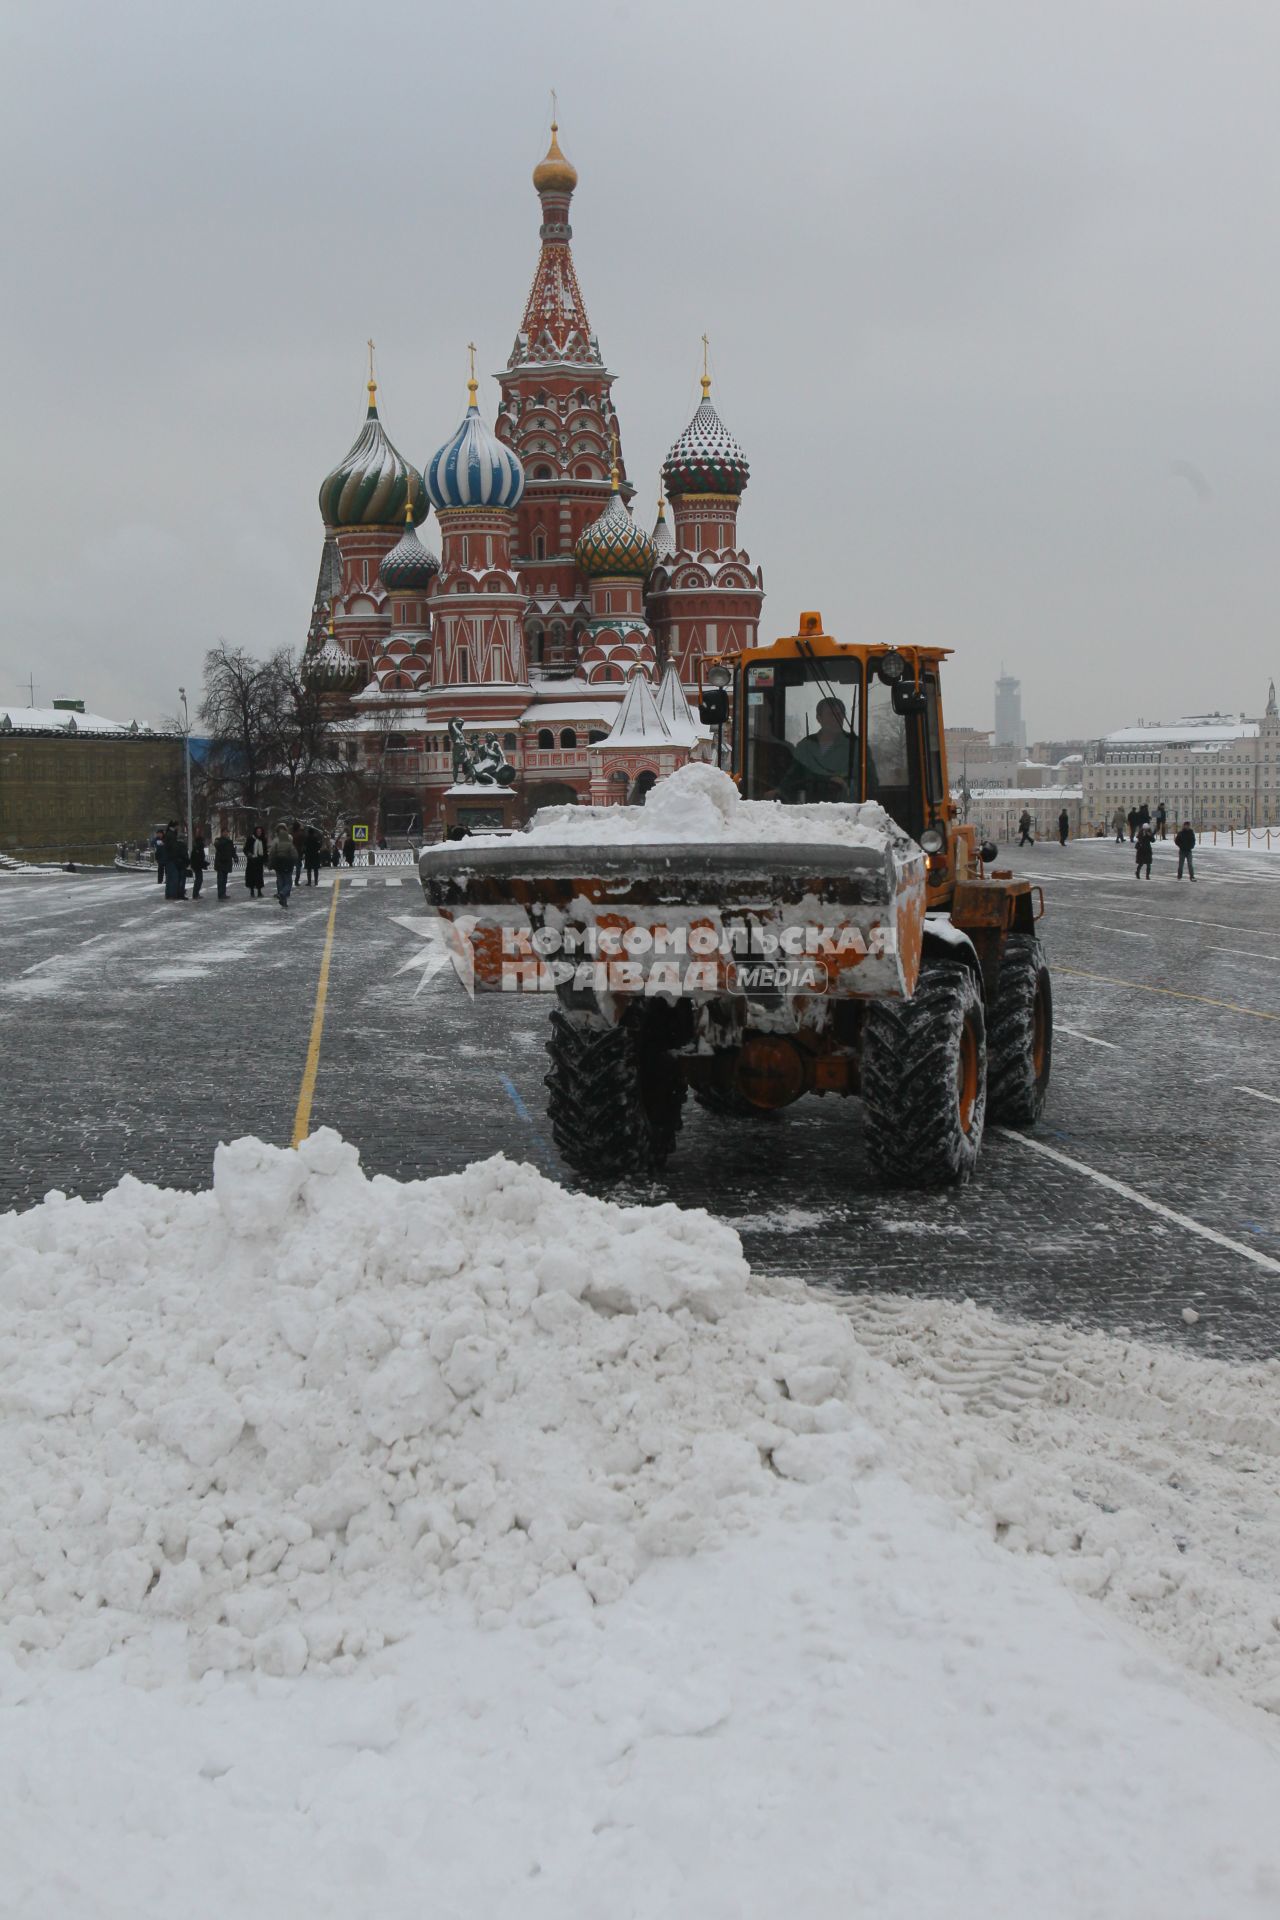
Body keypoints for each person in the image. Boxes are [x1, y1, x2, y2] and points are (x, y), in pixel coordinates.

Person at [780, 696, 856, 801]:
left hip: (846, 810)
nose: (836, 718)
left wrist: (848, 785)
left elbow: (869, 782)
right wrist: (779, 791)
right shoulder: (805, 746)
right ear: (819, 718)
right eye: (831, 714)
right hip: (808, 809)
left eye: (839, 714)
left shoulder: (855, 745)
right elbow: (791, 779)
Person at [269, 823, 297, 907]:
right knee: (288, 882)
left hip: (278, 862)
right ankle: (282, 894)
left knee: (280, 881)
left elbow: (272, 853)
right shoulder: (289, 839)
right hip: (287, 863)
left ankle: (282, 899)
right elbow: (293, 852)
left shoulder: (276, 840)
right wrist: (294, 859)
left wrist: (271, 862)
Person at [213, 827, 237, 900]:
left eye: (227, 832)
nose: (226, 834)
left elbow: (232, 851)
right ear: (222, 833)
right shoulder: (218, 840)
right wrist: (226, 841)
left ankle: (223, 893)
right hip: (220, 863)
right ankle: (220, 894)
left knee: (224, 879)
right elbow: (217, 845)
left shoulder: (229, 841)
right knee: (220, 879)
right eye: (225, 832)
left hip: (227, 863)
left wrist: (235, 857)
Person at [244, 825, 266, 899]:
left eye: (260, 831)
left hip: (259, 861)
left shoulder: (263, 839)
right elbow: (245, 849)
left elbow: (265, 851)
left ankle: (259, 891)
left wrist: (266, 860)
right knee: (251, 877)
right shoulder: (251, 839)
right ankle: (252, 891)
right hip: (252, 861)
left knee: (259, 877)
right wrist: (249, 854)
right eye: (258, 831)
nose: (259, 833)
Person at [303, 821, 323, 886]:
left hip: (308, 855)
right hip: (315, 855)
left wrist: (304, 852)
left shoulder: (306, 838)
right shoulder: (316, 838)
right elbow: (319, 846)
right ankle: (316, 882)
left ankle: (309, 882)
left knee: (309, 869)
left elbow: (304, 846)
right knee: (315, 869)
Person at [190, 827, 207, 900]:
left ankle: (196, 893)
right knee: (199, 880)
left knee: (199, 879)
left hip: (197, 866)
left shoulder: (197, 848)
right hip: (197, 866)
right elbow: (198, 859)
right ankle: (195, 894)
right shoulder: (198, 848)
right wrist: (204, 864)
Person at [291, 819, 304, 886]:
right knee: (298, 867)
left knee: (290, 867)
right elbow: (302, 843)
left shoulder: (291, 833)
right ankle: (296, 880)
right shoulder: (300, 834)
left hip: (291, 851)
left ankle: (289, 880)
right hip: (298, 852)